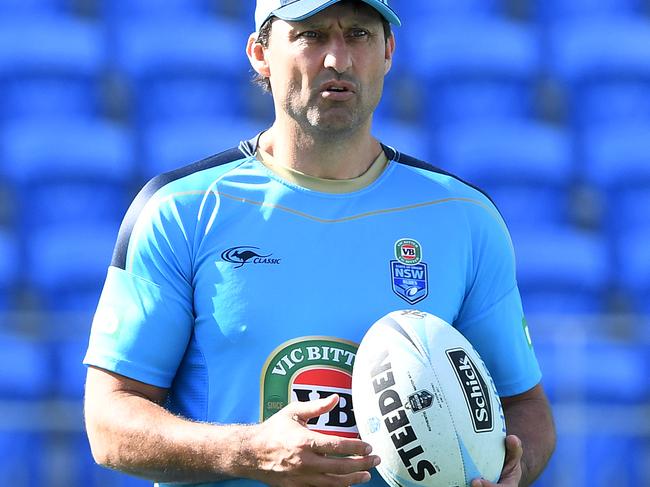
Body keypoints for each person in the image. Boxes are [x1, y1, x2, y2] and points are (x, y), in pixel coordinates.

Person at [83, 0, 556, 486]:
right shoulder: (181, 209)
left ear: (388, 51)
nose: (339, 59)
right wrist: (247, 451)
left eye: (359, 35)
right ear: (260, 53)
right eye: (311, 35)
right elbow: (108, 420)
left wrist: (510, 469)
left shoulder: (463, 217)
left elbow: (525, 407)